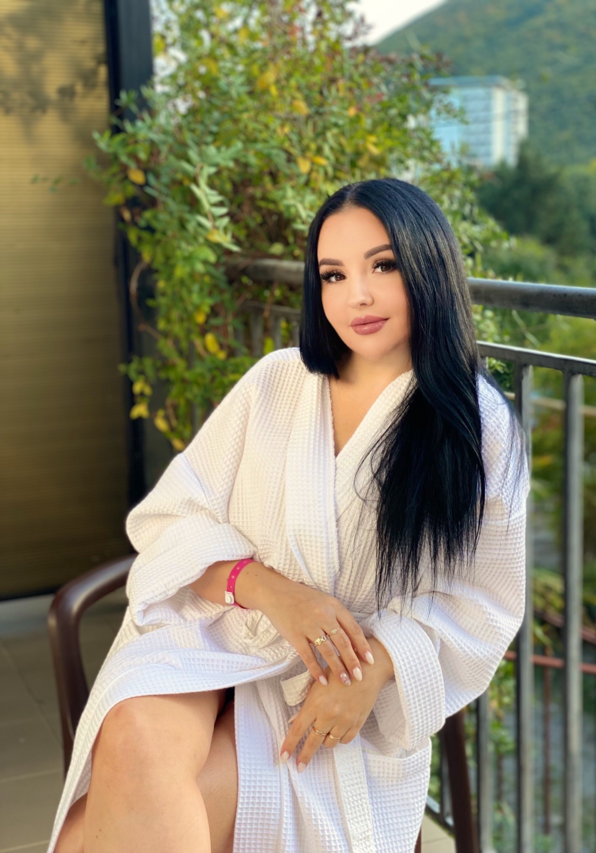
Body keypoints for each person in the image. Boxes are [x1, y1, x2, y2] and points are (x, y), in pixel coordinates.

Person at [49, 177, 529, 853]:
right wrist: (272, 590)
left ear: (429, 266)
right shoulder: (276, 381)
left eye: (383, 266)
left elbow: (482, 603)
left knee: (106, 825)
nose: (357, 295)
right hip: (215, 635)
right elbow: (170, 519)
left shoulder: (476, 427)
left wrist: (374, 667)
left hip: (334, 688)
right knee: (135, 732)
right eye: (334, 275)